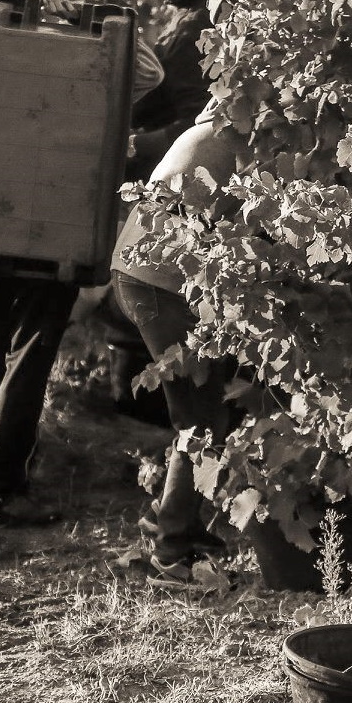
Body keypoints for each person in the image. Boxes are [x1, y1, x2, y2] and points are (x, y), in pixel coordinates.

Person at [0, 0, 163, 525]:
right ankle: (1, 485)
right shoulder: (71, 44)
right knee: (31, 354)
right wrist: (73, 17)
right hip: (62, 227)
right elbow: (149, 73)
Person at [110, 115, 238, 579]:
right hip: (161, 282)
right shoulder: (240, 139)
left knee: (205, 404)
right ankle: (171, 551)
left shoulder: (212, 128)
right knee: (200, 417)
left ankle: (170, 517)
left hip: (144, 273)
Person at [129, 0, 232, 177]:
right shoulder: (219, 6)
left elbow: (196, 124)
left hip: (169, 177)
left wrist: (129, 145)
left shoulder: (198, 26)